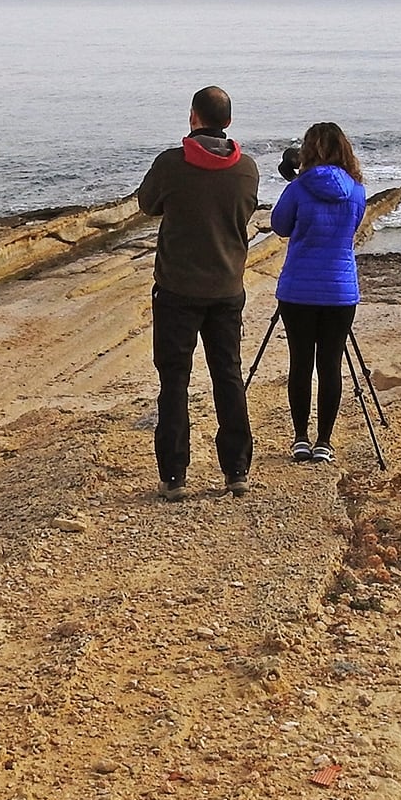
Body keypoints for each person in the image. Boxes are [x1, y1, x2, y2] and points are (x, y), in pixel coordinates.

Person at [138, 85, 260, 500]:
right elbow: (243, 212)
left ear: (194, 117)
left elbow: (147, 205)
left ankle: (174, 475)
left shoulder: (171, 165)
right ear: (227, 122)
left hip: (176, 288)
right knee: (228, 375)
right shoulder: (247, 170)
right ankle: (236, 469)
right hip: (227, 287)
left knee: (174, 381)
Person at [271, 122, 366, 464]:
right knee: (330, 365)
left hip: (298, 290)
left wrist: (294, 185)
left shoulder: (298, 188)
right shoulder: (356, 191)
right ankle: (324, 442)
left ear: (307, 151)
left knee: (300, 363)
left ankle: (299, 438)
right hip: (339, 291)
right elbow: (351, 227)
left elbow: (279, 226)